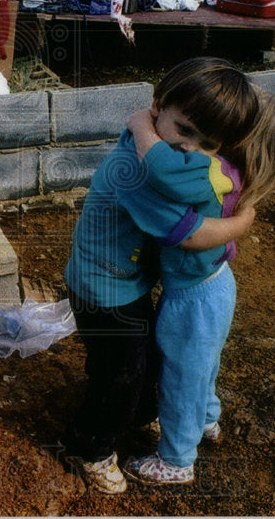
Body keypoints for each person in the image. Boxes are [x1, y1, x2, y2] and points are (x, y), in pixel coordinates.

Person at [61, 57, 261, 493]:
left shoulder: (159, 151)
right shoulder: (137, 173)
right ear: (157, 106)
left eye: (207, 143)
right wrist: (241, 224)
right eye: (184, 130)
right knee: (122, 371)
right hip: (103, 288)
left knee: (132, 358)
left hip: (123, 279)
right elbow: (188, 235)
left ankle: (129, 411)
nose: (190, 148)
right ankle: (91, 447)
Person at [120, 86, 275, 487]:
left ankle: (177, 460)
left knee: (181, 376)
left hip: (192, 298)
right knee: (203, 365)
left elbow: (162, 167)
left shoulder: (204, 173)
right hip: (216, 286)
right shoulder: (233, 177)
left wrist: (140, 124)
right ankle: (206, 421)